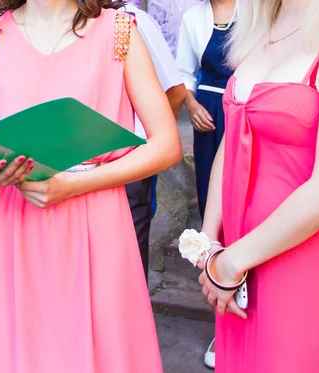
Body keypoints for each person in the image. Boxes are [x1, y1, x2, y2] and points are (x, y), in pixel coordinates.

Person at [0, 0, 182, 372]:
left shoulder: (118, 31)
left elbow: (167, 144)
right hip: (15, 222)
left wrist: (75, 185)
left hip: (95, 215)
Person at [196, 0, 319, 372]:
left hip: (307, 262)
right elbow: (234, 133)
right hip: (240, 264)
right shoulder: (261, 28)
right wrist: (210, 241)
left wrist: (231, 261)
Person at [176, 2, 237, 366]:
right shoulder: (191, 18)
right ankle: (222, 323)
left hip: (246, 111)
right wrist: (192, 105)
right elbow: (184, 74)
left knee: (243, 211)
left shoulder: (256, 10)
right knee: (212, 212)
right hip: (210, 120)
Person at [121, 1, 186, 280]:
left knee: (127, 264)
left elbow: (176, 92)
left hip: (131, 162)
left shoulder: (132, 21)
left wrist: (151, 143)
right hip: (77, 166)